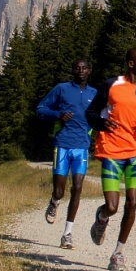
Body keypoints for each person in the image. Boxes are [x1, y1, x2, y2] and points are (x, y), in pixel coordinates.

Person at [85, 48, 136, 271]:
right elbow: (91, 112)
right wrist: (101, 123)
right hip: (112, 151)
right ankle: (102, 216)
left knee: (132, 202)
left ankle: (118, 253)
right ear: (131, 64)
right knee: (114, 206)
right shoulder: (111, 85)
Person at [37, 58, 98, 249]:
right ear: (72, 70)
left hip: (81, 146)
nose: (80, 71)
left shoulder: (94, 94)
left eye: (84, 68)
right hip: (62, 145)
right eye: (77, 68)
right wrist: (57, 115)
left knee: (78, 187)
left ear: (89, 71)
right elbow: (40, 109)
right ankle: (54, 202)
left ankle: (67, 234)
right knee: (60, 190)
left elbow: (104, 115)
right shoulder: (61, 89)